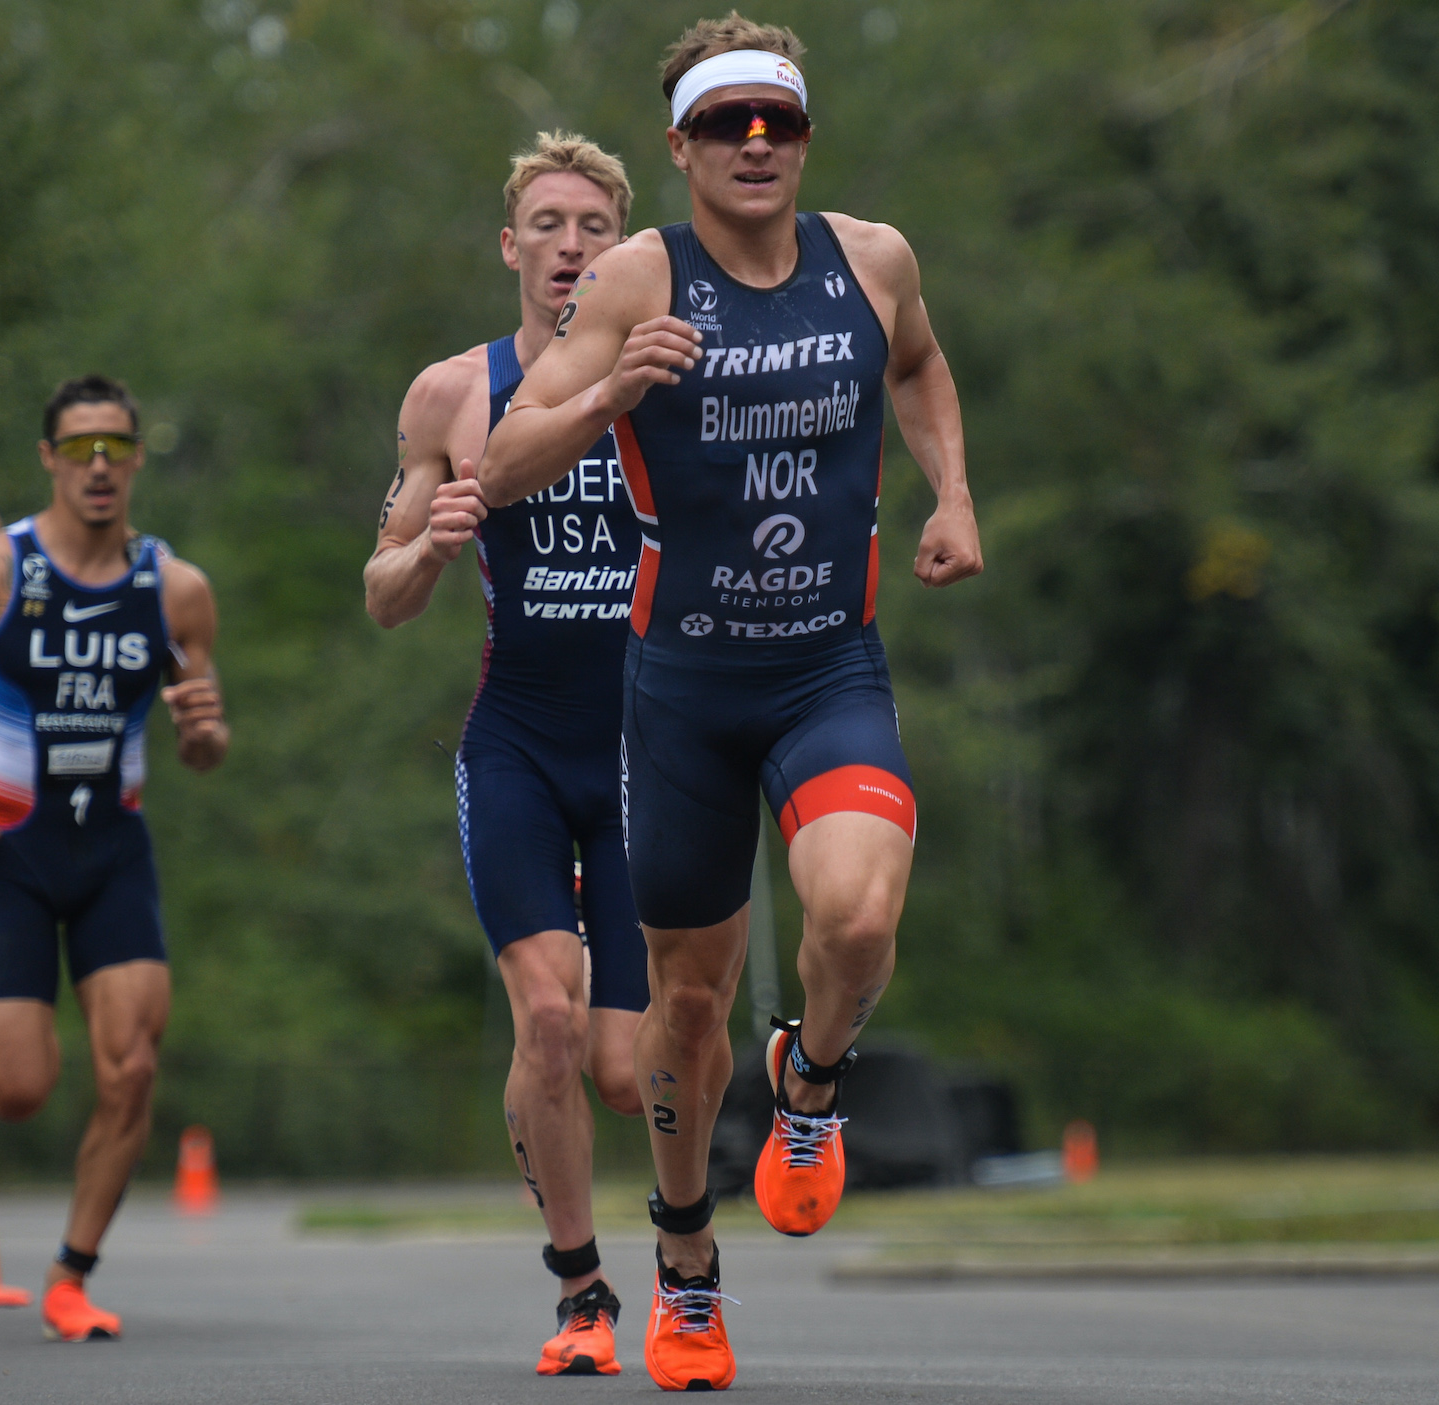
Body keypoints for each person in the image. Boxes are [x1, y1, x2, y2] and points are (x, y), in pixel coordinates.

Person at [480, 15, 982, 1391]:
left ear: (804, 135)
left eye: (777, 119)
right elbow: (509, 449)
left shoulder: (870, 261)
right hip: (685, 693)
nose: (755, 143)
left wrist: (951, 494)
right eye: (725, 124)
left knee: (861, 914)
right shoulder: (639, 278)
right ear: (682, 147)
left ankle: (811, 1085)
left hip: (829, 669)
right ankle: (688, 1265)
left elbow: (923, 367)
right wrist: (609, 395)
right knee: (678, 1023)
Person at [363, 133, 649, 1377]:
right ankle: (581, 1287)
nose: (571, 247)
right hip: (520, 741)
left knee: (627, 1071)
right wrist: (428, 545)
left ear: (622, 247)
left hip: (649, 748)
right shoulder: (450, 395)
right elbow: (379, 593)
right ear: (511, 246)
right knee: (545, 1018)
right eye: (548, 223)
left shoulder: (663, 371)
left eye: (594, 225)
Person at [0, 374, 228, 1340]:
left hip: (113, 850)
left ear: (138, 457)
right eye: (80, 449)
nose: (99, 466)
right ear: (50, 460)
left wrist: (202, 735)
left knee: (133, 1068)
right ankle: (32, 1016)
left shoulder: (176, 589)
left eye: (116, 446)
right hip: (10, 854)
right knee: (19, 1092)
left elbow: (204, 739)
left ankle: (71, 1274)